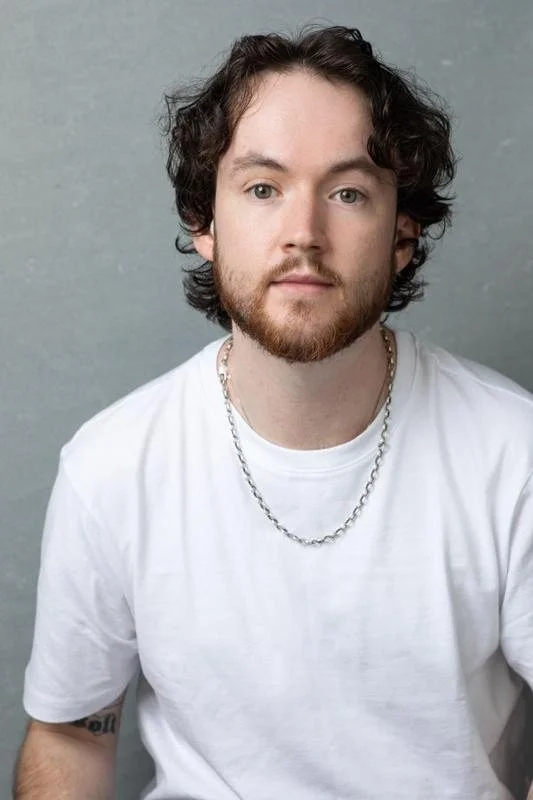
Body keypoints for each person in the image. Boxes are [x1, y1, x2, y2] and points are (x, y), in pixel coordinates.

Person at [13, 24, 533, 800]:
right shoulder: (111, 467)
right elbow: (72, 734)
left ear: (401, 236)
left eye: (347, 193)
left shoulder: (512, 453)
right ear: (205, 224)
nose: (303, 235)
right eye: (263, 189)